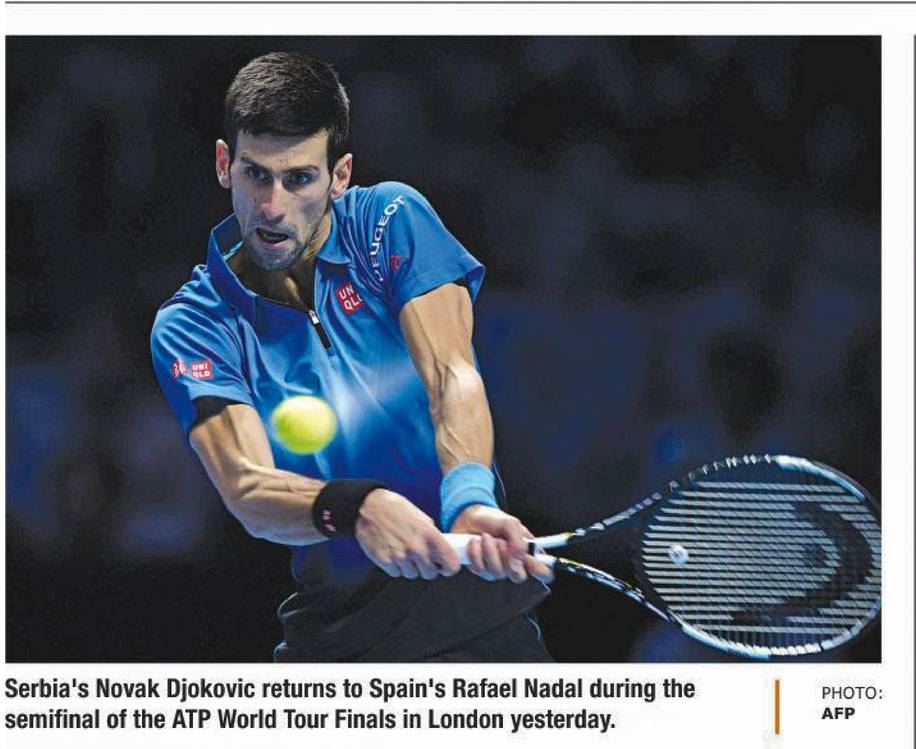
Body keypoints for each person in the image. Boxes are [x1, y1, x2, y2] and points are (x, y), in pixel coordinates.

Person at [150, 51, 553, 662]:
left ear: (339, 176)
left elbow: (451, 374)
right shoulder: (193, 323)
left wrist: (470, 497)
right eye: (256, 175)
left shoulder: (389, 221)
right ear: (224, 164)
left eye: (298, 179)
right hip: (335, 641)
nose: (272, 207)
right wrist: (356, 508)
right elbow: (246, 485)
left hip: (482, 629)